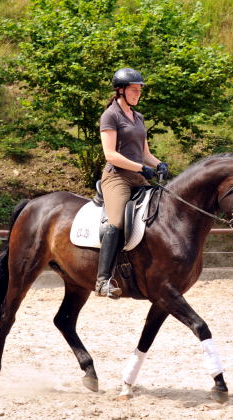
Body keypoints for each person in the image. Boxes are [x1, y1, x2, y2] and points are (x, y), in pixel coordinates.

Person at [95, 67, 169, 299]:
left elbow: (144, 152)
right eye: (134, 90)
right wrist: (141, 168)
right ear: (121, 90)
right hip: (117, 177)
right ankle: (103, 280)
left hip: (138, 178)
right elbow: (110, 155)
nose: (138, 94)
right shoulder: (110, 115)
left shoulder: (138, 117)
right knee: (116, 222)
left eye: (139, 90)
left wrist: (158, 164)